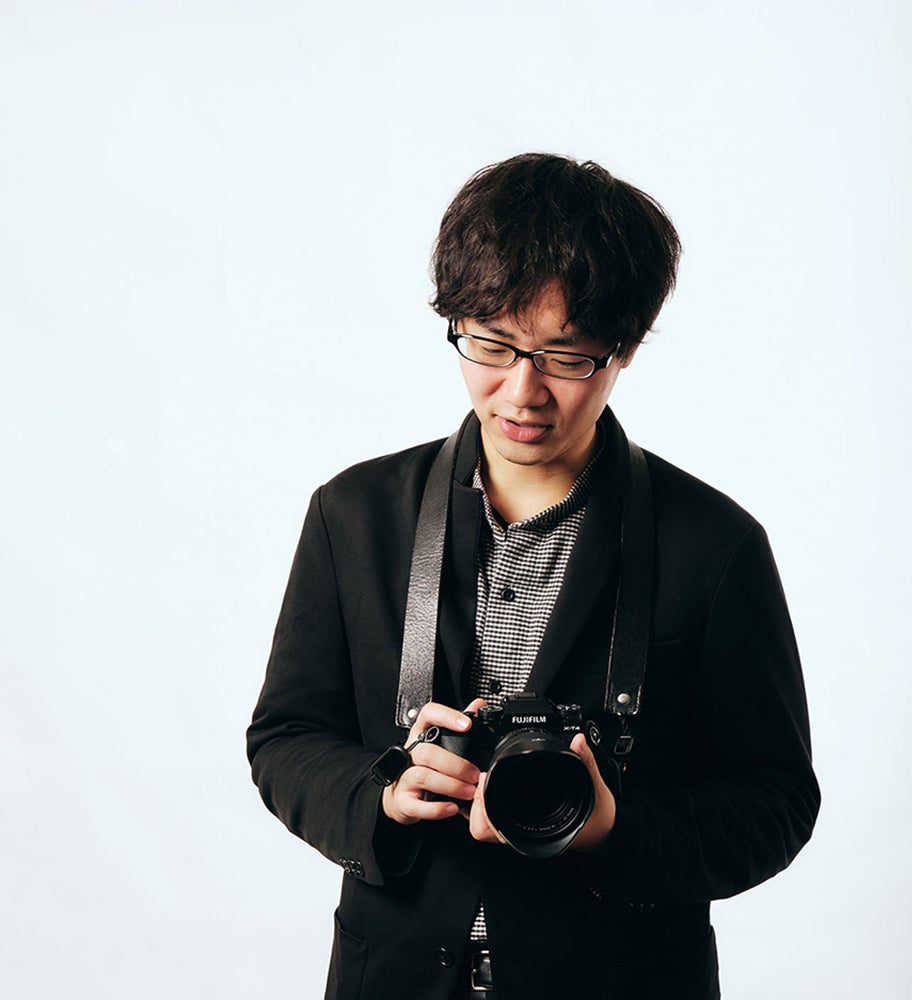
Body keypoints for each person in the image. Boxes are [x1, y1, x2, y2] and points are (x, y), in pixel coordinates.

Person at [247, 153, 820, 1000]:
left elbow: (775, 801)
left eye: (565, 355)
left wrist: (615, 829)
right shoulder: (355, 515)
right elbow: (285, 738)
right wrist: (385, 794)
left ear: (624, 348)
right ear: (456, 322)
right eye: (490, 343)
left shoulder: (715, 545)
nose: (521, 391)